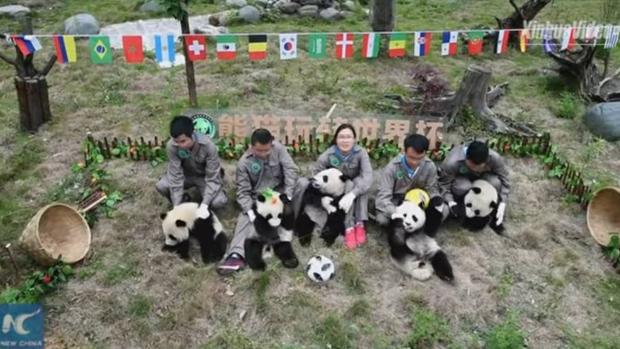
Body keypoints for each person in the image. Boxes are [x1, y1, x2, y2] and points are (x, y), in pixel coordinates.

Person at [217, 128, 299, 276]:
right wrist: (251, 213)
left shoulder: (279, 149)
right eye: (259, 151)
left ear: (271, 144)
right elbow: (243, 192)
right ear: (251, 146)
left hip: (280, 191)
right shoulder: (244, 163)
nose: (263, 154)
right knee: (245, 216)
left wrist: (288, 194)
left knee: (303, 185)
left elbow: (290, 170)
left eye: (266, 150)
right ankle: (236, 255)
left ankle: (295, 225)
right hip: (260, 198)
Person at [295, 124, 373, 249]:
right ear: (336, 139)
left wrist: (352, 194)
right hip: (333, 194)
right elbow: (315, 179)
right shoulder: (327, 155)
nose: (345, 141)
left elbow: (368, 177)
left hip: (352, 192)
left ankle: (358, 224)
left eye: (349, 137)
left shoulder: (361, 153)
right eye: (341, 137)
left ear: (354, 139)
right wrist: (321, 199)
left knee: (359, 183)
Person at [156, 116, 227, 210]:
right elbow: (175, 175)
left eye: (183, 141)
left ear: (192, 135)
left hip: (204, 178)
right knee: (162, 186)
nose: (180, 145)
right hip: (186, 176)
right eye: (177, 142)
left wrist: (205, 204)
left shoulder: (208, 146)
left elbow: (212, 177)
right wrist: (177, 205)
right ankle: (183, 202)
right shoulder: (172, 146)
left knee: (218, 201)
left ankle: (209, 206)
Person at [375, 134, 446, 226]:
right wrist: (395, 213)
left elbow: (432, 189)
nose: (414, 162)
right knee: (382, 220)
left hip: (418, 201)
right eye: (411, 157)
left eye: (419, 158)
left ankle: (414, 225)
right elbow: (383, 197)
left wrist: (435, 199)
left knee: (443, 211)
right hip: (397, 202)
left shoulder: (430, 166)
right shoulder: (392, 168)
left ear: (425, 153)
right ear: (404, 151)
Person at [438, 140, 510, 225]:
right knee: (463, 187)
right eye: (473, 166)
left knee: (496, 183)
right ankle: (463, 206)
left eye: (480, 166)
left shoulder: (494, 158)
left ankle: (489, 206)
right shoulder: (452, 162)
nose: (476, 169)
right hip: (462, 180)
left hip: (483, 178)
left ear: (486, 160)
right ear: (467, 158)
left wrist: (503, 202)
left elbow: (505, 179)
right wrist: (450, 202)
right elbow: (444, 185)